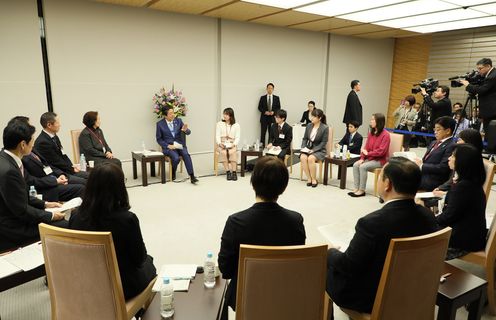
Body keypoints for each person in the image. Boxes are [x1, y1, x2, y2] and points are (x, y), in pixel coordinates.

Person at [327, 157, 438, 314]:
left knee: (328, 265)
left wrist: (330, 251)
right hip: (411, 288)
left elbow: (348, 266)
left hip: (372, 297)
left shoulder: (371, 223)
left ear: (387, 184)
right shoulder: (428, 216)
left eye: (380, 177)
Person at [218, 156, 305, 312]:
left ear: (253, 184)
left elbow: (226, 269)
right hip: (285, 294)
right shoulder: (295, 220)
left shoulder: (236, 222)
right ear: (284, 187)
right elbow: (296, 262)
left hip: (246, 295)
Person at [69, 163, 156, 299]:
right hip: (120, 288)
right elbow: (139, 259)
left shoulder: (75, 216)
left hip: (87, 285)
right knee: (149, 262)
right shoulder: (127, 219)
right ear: (119, 188)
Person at [0, 120, 66, 251]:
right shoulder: (9, 171)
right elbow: (22, 210)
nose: (34, 143)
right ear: (23, 144)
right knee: (64, 226)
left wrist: (45, 204)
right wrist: (51, 216)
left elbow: (19, 195)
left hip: (13, 216)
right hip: (12, 227)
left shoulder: (6, 159)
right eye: (32, 140)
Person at [436, 144, 487, 260]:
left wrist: (431, 219)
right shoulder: (472, 183)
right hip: (473, 234)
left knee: (418, 232)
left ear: (462, 162)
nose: (449, 158)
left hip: (463, 241)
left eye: (453, 156)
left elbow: (448, 216)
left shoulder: (463, 187)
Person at [34, 112, 89, 181]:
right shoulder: (43, 142)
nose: (60, 125)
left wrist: (72, 165)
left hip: (66, 169)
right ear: (49, 125)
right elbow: (56, 161)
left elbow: (63, 154)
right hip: (58, 174)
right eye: (57, 123)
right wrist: (71, 169)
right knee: (86, 181)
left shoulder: (54, 136)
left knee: (92, 175)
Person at [431, 128, 483, 198]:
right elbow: (452, 178)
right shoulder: (463, 156)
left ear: (469, 142)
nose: (457, 142)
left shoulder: (471, 162)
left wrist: (445, 194)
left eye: (459, 140)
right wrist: (441, 188)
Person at [349, 113, 390, 197]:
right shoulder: (371, 133)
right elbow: (366, 148)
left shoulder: (386, 135)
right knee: (356, 164)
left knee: (363, 167)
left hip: (380, 160)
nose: (370, 121)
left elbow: (381, 151)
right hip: (371, 157)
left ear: (378, 122)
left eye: (372, 119)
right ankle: (356, 188)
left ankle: (362, 190)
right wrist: (362, 158)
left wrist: (368, 154)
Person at [156, 105, 199, 183]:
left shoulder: (178, 121)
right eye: (170, 113)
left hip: (180, 145)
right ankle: (173, 170)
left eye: (173, 112)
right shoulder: (160, 124)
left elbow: (188, 132)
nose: (173, 115)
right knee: (175, 158)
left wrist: (186, 130)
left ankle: (192, 176)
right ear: (165, 115)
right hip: (169, 147)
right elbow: (159, 139)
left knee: (186, 154)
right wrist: (168, 145)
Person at [415, 116, 456, 191]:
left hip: (433, 181)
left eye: (438, 129)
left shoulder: (451, 145)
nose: (435, 132)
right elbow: (426, 159)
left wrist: (422, 166)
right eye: (434, 129)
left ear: (448, 131)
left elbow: (443, 168)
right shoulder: (433, 142)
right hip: (423, 175)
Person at [461, 58, 496, 133]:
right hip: (490, 111)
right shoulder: (489, 75)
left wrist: (468, 85)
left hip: (491, 111)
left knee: (490, 135)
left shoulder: (492, 76)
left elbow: (481, 90)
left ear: (488, 66)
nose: (479, 71)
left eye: (480, 68)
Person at [300, 109, 329, 188]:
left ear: (319, 118)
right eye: (311, 116)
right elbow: (305, 138)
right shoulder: (309, 125)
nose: (311, 118)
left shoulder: (325, 128)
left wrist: (313, 150)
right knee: (303, 157)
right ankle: (309, 178)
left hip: (319, 150)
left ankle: (314, 179)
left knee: (310, 158)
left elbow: (323, 142)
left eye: (314, 116)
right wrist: (303, 147)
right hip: (309, 148)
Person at [215, 108, 240, 181]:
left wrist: (234, 144)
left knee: (232, 152)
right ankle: (228, 172)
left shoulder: (236, 125)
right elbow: (217, 136)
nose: (224, 116)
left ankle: (234, 172)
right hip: (222, 143)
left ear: (231, 115)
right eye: (224, 114)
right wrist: (219, 143)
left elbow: (238, 137)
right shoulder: (219, 124)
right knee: (223, 152)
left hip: (232, 144)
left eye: (226, 114)